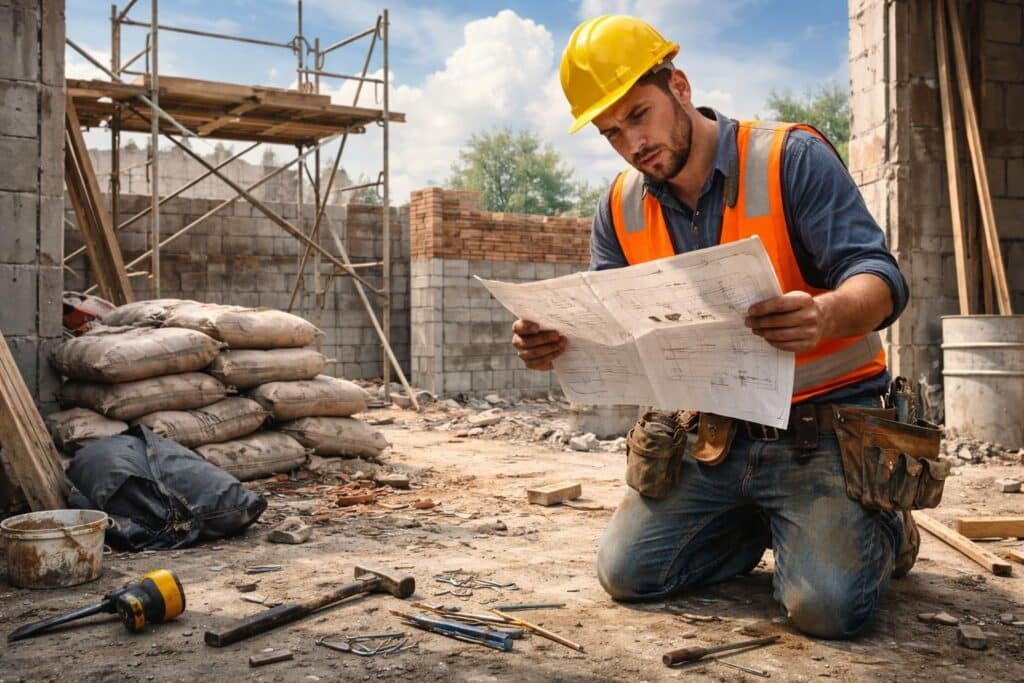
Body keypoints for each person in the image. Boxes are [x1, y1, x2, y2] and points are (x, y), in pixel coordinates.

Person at [511, 15, 914, 639]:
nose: (631, 143)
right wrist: (557, 344)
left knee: (827, 610)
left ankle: (882, 527)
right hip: (715, 442)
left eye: (638, 115)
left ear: (678, 85)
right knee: (628, 574)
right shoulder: (618, 208)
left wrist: (824, 313)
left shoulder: (790, 157)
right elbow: (611, 320)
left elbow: (881, 277)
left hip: (822, 434)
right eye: (610, 132)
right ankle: (766, 522)